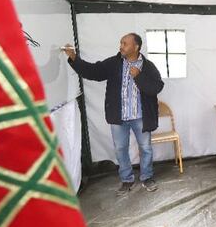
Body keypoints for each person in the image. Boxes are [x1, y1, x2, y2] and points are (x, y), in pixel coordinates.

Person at [65, 33, 164, 194]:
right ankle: (127, 180)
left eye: (125, 43)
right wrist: (74, 58)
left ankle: (147, 177)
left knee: (146, 148)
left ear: (136, 46)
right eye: (121, 43)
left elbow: (156, 87)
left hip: (140, 117)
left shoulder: (148, 66)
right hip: (119, 118)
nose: (121, 46)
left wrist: (138, 77)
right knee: (120, 149)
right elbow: (93, 72)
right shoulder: (114, 63)